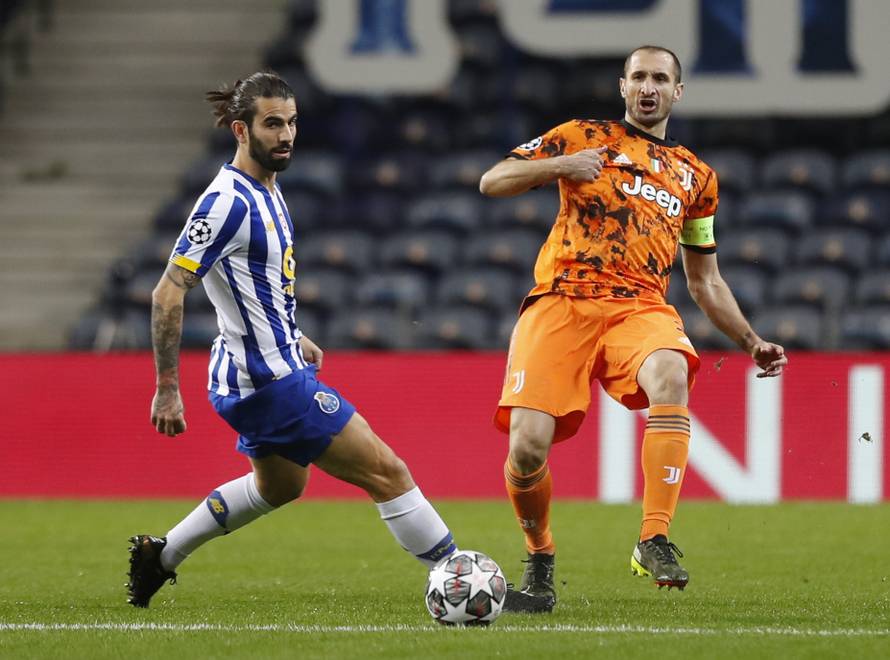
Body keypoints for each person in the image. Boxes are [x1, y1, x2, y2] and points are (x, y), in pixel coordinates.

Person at [126, 72, 457, 608]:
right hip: (269, 384)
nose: (286, 135)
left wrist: (293, 334)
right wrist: (167, 387)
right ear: (241, 130)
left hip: (265, 368)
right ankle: (459, 577)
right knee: (388, 471)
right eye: (273, 123)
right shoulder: (226, 202)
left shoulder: (269, 191)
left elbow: (251, 285)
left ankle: (160, 557)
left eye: (292, 122)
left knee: (281, 487)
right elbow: (168, 293)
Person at [478, 46, 787, 613]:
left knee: (671, 370)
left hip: (639, 307)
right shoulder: (580, 135)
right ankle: (540, 560)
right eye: (639, 77)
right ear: (623, 86)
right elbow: (493, 180)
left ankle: (654, 537)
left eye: (661, 79)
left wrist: (750, 340)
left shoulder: (698, 177)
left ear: (677, 92)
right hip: (561, 300)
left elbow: (705, 280)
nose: (649, 87)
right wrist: (558, 167)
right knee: (526, 448)